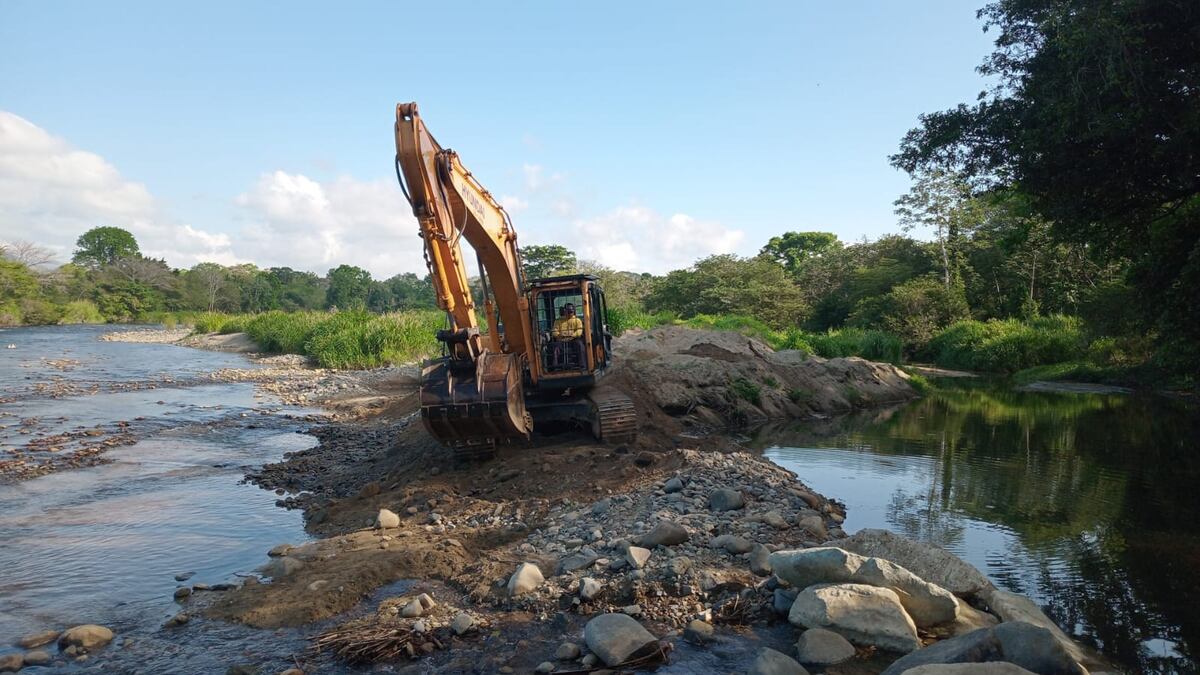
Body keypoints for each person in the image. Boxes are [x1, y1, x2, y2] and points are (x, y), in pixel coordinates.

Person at [551, 303, 584, 367]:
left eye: (571, 311)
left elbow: (580, 330)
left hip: (573, 340)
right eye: (568, 311)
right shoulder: (558, 321)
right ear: (564, 311)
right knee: (555, 347)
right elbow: (554, 330)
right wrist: (559, 334)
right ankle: (555, 366)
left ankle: (582, 365)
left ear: (573, 311)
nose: (569, 313)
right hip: (561, 341)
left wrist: (572, 334)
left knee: (580, 345)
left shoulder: (577, 320)